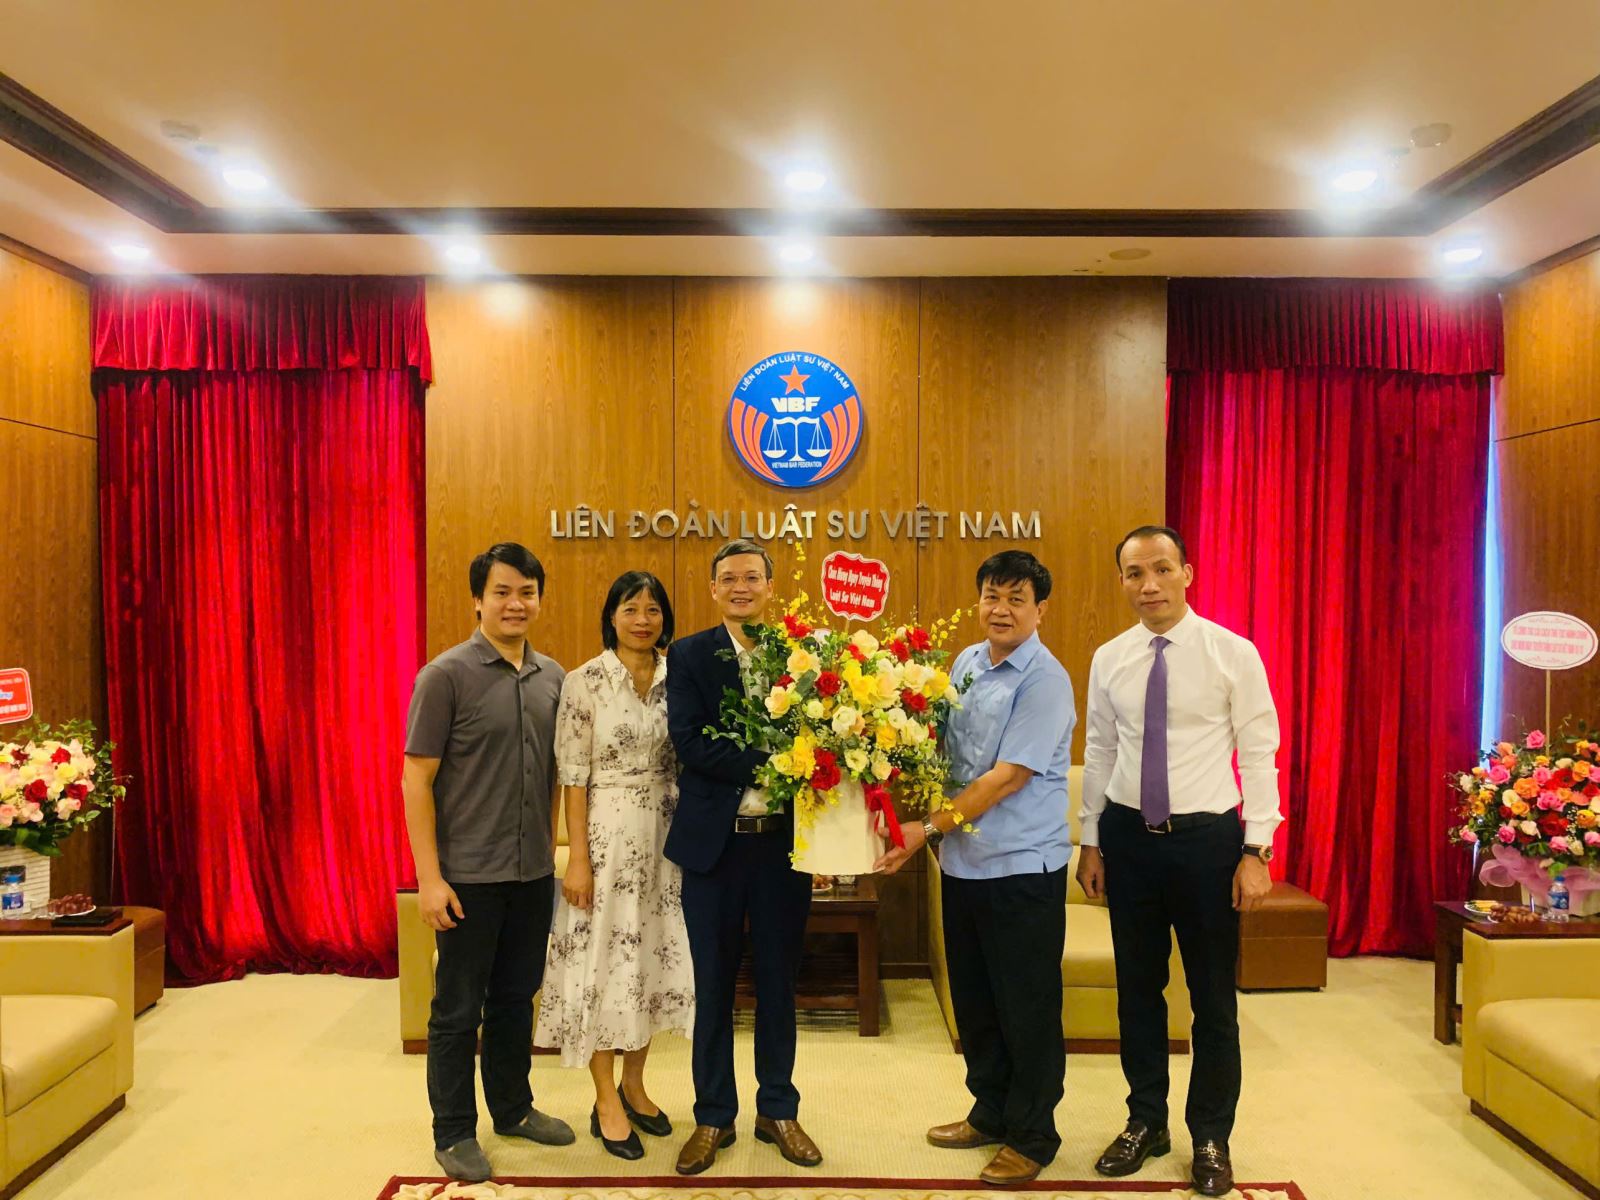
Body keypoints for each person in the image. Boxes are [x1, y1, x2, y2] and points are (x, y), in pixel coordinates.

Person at [1075, 525, 1280, 1198]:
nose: (1150, 585)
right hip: (1128, 839)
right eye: (1135, 573)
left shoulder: (1232, 653)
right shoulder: (1110, 658)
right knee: (1137, 992)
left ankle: (1211, 1135)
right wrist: (1090, 839)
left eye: (1162, 569)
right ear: (1122, 581)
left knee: (1212, 1000)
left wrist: (1256, 849)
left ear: (1187, 572)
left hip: (1207, 844)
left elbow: (1259, 754)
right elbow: (1100, 751)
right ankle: (1146, 1121)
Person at [876, 549, 1075, 1187]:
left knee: (1026, 1006)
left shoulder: (1044, 680)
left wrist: (924, 829)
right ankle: (990, 1111)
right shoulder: (965, 663)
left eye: (1017, 599)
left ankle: (1033, 1135)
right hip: (964, 864)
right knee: (977, 1001)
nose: (1002, 609)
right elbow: (941, 749)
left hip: (1020, 867)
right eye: (993, 595)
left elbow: (1005, 778)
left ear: (1040, 610)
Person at [401, 543, 575, 1183]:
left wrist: (552, 850)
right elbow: (415, 780)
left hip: (531, 874)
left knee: (514, 999)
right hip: (467, 877)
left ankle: (513, 1108)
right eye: (502, 592)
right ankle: (452, 1131)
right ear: (478, 599)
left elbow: (556, 774)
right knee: (457, 1009)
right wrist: (429, 878)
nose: (515, 604)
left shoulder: (555, 678)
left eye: (526, 592)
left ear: (539, 599)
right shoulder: (443, 676)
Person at [663, 539, 822, 1175]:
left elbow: (825, 744)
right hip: (715, 848)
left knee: (780, 983)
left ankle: (778, 1110)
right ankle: (713, 1116)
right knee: (714, 987)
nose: (740, 587)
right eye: (728, 578)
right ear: (713, 589)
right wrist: (777, 762)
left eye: (752, 577)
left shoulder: (801, 655)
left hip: (783, 848)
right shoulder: (689, 655)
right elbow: (689, 743)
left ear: (769, 586)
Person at [534, 571, 695, 1160]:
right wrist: (577, 859)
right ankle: (605, 1100)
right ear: (611, 616)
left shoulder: (681, 678)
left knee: (649, 963)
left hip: (667, 841)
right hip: (605, 841)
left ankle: (634, 1084)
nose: (642, 619)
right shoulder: (585, 682)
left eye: (653, 609)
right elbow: (573, 776)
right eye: (631, 608)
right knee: (604, 966)